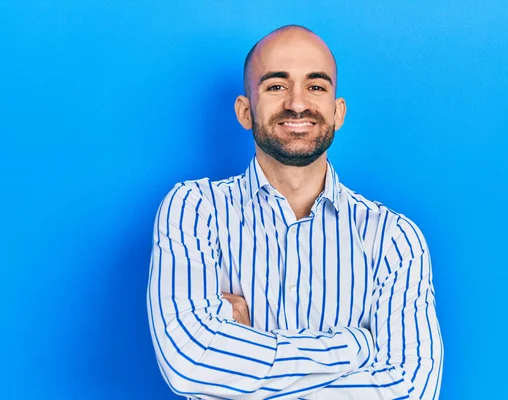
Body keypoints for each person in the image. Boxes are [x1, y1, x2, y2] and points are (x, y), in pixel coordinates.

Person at [147, 25, 443, 400]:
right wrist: (357, 346)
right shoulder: (194, 210)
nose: (298, 103)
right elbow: (190, 363)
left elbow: (410, 388)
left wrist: (237, 360)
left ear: (338, 112)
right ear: (244, 110)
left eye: (316, 86)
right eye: (276, 86)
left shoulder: (394, 239)